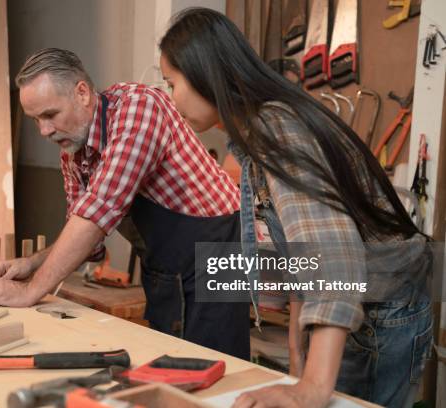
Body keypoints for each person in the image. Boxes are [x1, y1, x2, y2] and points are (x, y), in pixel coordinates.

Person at [159, 8, 433, 408]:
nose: (171, 99)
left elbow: (335, 258)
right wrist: (296, 345)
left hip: (382, 309)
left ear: (204, 72)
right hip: (364, 302)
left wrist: (313, 387)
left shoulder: (277, 128)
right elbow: (302, 248)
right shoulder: (257, 130)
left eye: (171, 84)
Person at [0, 48, 251, 359]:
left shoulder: (139, 109)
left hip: (221, 249)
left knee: (218, 367)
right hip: (167, 264)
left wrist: (31, 290)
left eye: (49, 115)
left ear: (83, 93)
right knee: (169, 364)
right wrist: (32, 264)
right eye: (36, 120)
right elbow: (88, 241)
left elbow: (98, 211)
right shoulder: (73, 150)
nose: (44, 131)